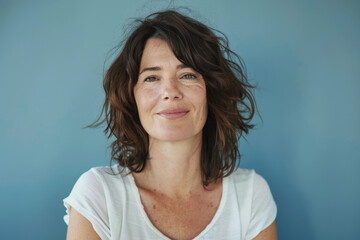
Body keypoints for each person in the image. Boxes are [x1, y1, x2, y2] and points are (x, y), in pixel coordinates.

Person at [63, 9, 277, 240]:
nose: (170, 93)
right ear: (132, 97)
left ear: (210, 92)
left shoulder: (251, 195)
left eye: (188, 75)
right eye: (151, 78)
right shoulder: (98, 194)